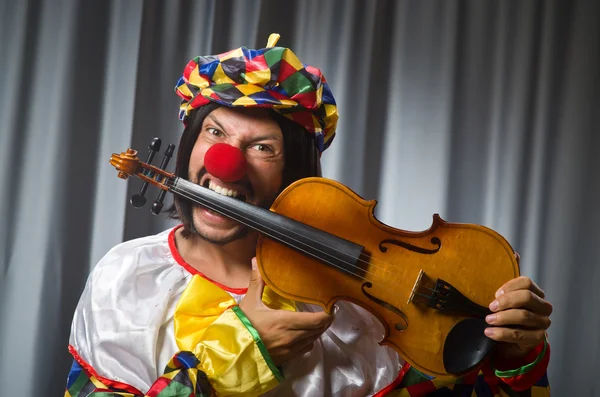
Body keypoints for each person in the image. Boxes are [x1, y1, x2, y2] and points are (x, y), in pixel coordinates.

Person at [64, 34, 552, 397]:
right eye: (214, 132)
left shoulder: (363, 316)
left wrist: (512, 354)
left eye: (262, 147)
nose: (225, 163)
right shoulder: (127, 279)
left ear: (296, 176)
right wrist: (231, 363)